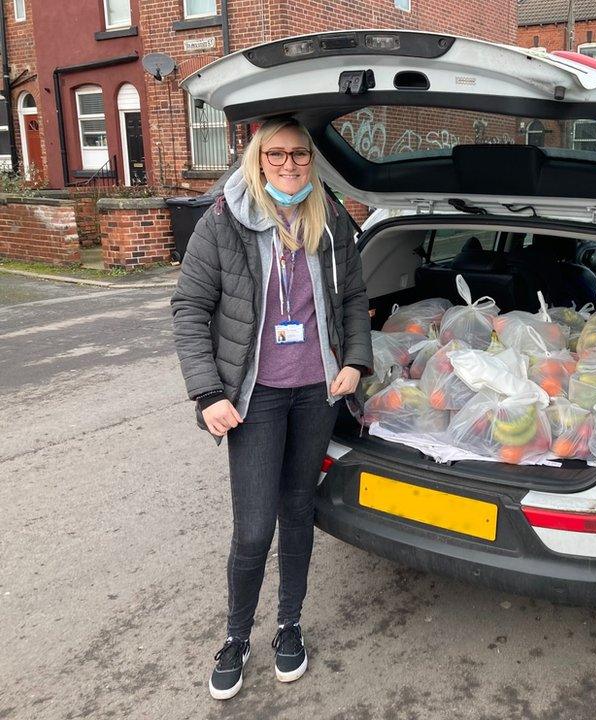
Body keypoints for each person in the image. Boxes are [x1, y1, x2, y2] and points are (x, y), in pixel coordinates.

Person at [171, 116, 372, 700]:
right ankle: (236, 637)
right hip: (254, 400)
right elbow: (189, 309)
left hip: (317, 393)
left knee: (297, 513)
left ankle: (289, 625)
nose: (289, 165)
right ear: (258, 160)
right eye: (276, 155)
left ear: (313, 161)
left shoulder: (330, 219)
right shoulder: (223, 222)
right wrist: (208, 393)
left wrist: (354, 362)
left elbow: (354, 298)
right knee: (254, 527)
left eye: (300, 156)